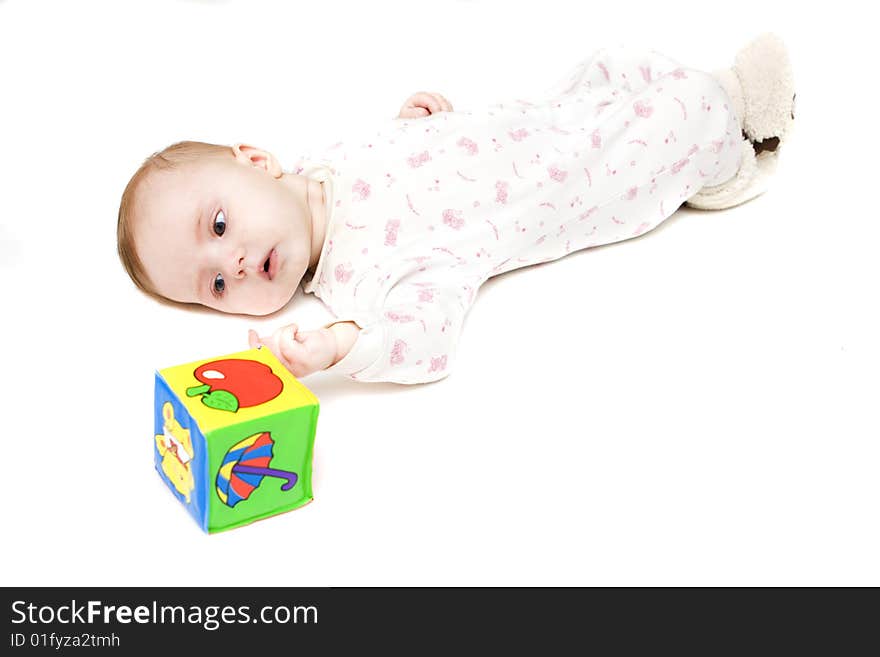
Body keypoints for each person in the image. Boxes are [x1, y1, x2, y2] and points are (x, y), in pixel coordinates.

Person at [117, 34, 796, 384]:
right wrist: (336, 347)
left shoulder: (322, 161)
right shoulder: (360, 279)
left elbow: (393, 162)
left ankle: (709, 107)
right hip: (566, 181)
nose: (232, 262)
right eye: (214, 286)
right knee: (667, 120)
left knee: (610, 67)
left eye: (218, 225)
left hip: (532, 122)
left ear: (258, 162)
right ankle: (732, 137)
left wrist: (412, 121)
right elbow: (425, 336)